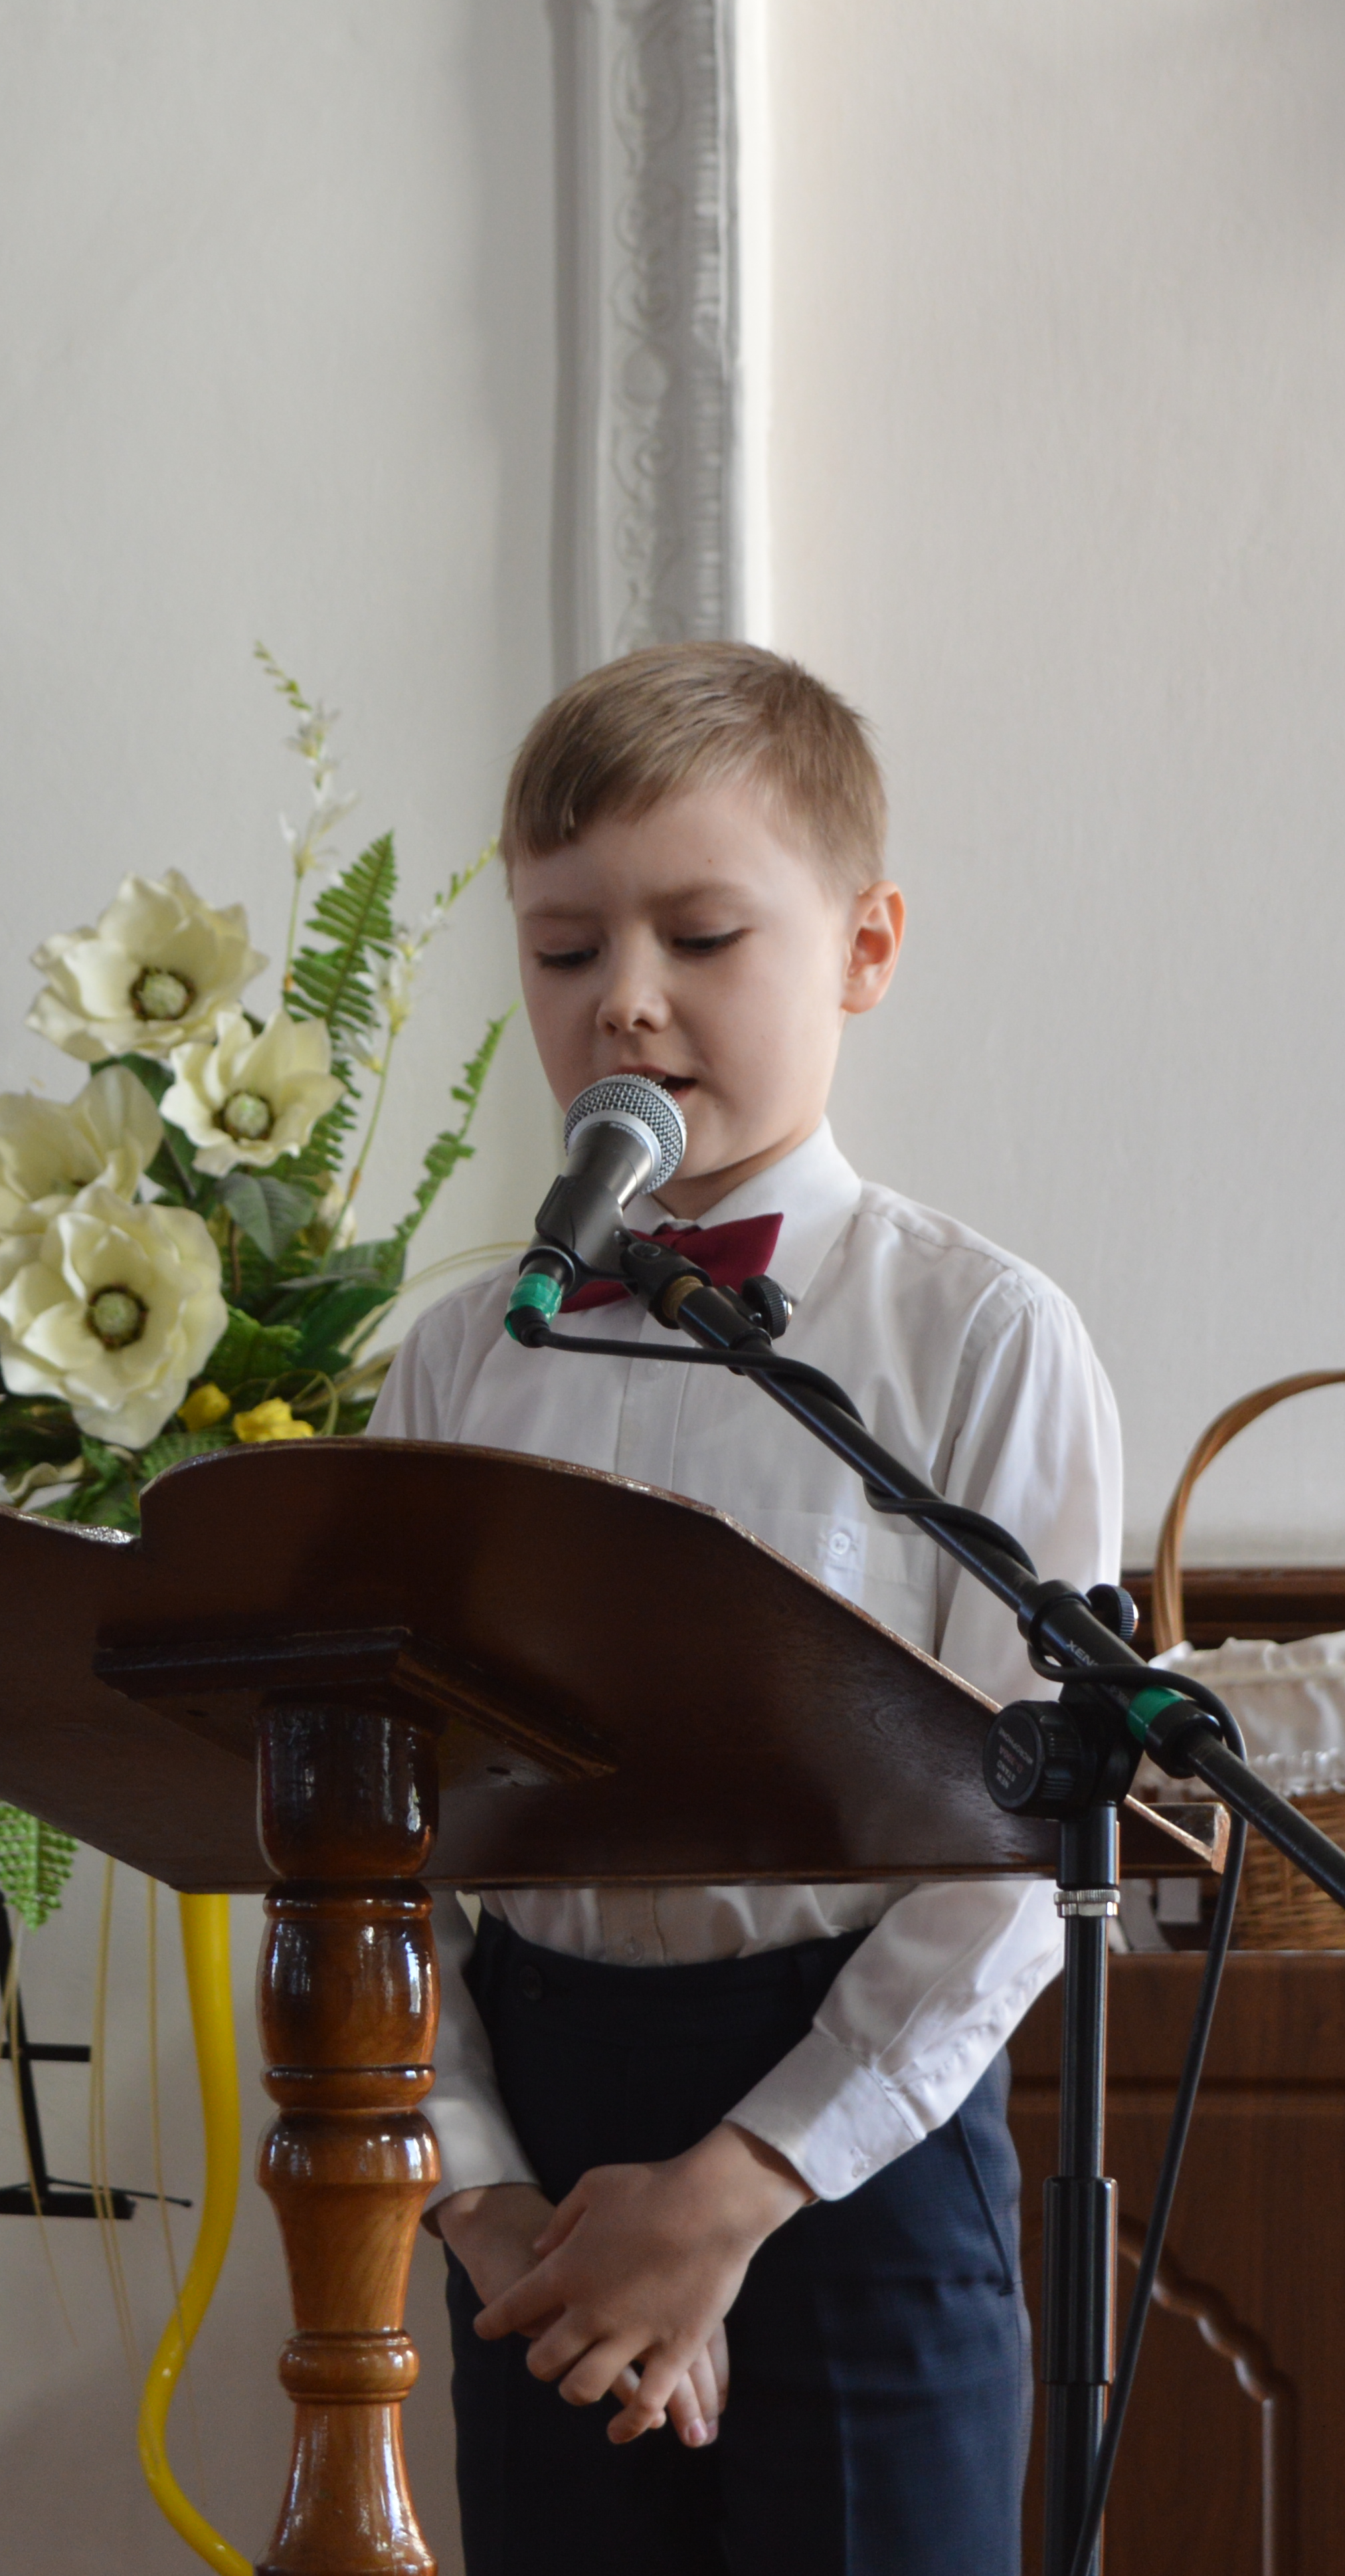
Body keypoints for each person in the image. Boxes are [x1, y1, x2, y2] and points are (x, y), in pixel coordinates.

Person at [363, 641, 1121, 2574]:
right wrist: (484, 2197)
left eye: (701, 936)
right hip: (536, 2146)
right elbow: (375, 1818)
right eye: (562, 950)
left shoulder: (978, 1336)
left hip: (857, 2131)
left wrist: (730, 2191)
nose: (624, 1000)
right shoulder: (457, 1363)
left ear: (864, 947)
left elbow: (1023, 1828)